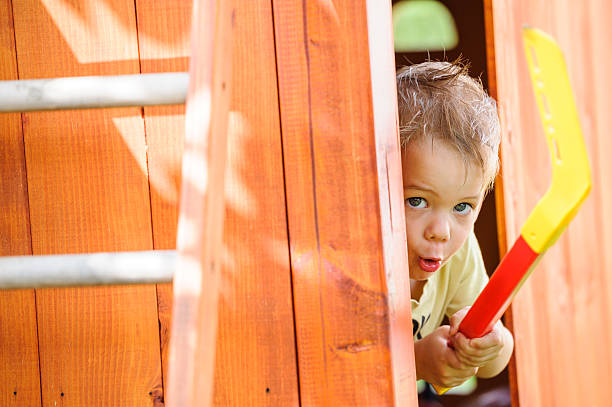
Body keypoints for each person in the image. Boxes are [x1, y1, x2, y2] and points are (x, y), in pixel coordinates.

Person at [397, 60, 514, 389]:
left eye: (462, 207)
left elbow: (495, 364)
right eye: (417, 200)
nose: (441, 230)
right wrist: (417, 361)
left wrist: (489, 345)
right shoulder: (358, 250)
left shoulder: (457, 253)